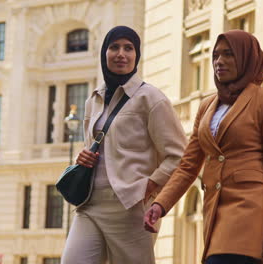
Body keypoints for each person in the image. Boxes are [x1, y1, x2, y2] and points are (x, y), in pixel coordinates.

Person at [144, 30, 263, 264]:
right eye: (215, 55)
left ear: (245, 58)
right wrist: (160, 204)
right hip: (214, 210)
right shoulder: (206, 106)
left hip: (249, 210)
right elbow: (188, 166)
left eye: (228, 54)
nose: (219, 61)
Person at [61, 25, 187, 264]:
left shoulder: (151, 98)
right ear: (104, 53)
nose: (121, 54)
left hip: (130, 207)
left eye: (128, 48)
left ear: (136, 55)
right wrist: (83, 158)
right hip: (90, 204)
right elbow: (95, 147)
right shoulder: (93, 99)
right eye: (114, 47)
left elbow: (179, 155)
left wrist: (150, 186)